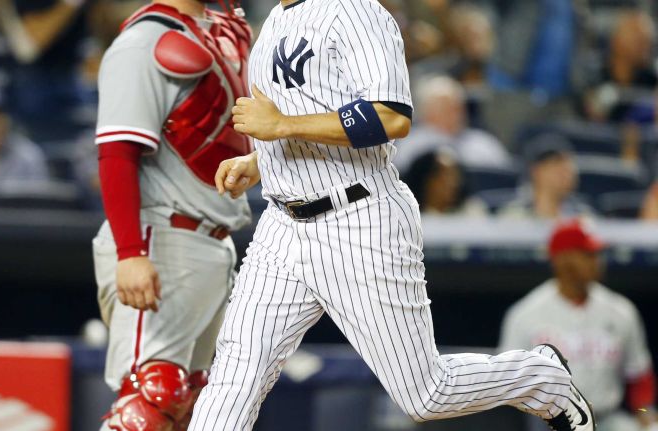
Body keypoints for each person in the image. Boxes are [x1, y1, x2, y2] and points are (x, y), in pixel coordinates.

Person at [190, 1, 595, 430]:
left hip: (357, 218)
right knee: (235, 375)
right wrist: (260, 162)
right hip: (283, 226)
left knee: (425, 395)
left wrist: (283, 126)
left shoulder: (355, 11)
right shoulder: (276, 19)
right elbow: (301, 114)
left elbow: (390, 115)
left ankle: (542, 379)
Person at [91, 1, 252, 430]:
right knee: (150, 400)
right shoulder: (143, 41)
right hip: (159, 238)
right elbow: (116, 154)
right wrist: (130, 252)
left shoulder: (221, 34)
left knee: (193, 408)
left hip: (213, 243)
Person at [500, 220, 657, 431]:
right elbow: (507, 386)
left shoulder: (621, 311)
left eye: (597, 254)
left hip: (607, 420)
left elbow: (639, 378)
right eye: (588, 255)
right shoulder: (525, 315)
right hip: (549, 422)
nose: (598, 262)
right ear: (562, 260)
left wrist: (645, 417)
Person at [392, 75, 512, 173]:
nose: (454, 114)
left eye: (457, 108)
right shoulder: (411, 145)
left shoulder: (483, 142)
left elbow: (508, 178)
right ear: (426, 113)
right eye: (445, 108)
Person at [499, 135, 594, 220]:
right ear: (536, 171)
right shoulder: (514, 215)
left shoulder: (582, 215)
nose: (566, 169)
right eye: (556, 163)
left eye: (568, 162)